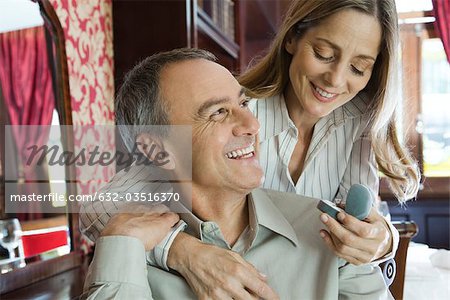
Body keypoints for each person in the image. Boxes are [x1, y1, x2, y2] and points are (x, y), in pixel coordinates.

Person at [80, 0, 421, 297]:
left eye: (358, 67)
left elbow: (358, 227)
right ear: (291, 39)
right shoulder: (237, 114)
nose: (335, 79)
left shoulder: (358, 124)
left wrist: (384, 239)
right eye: (323, 54)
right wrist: (180, 251)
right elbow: (101, 208)